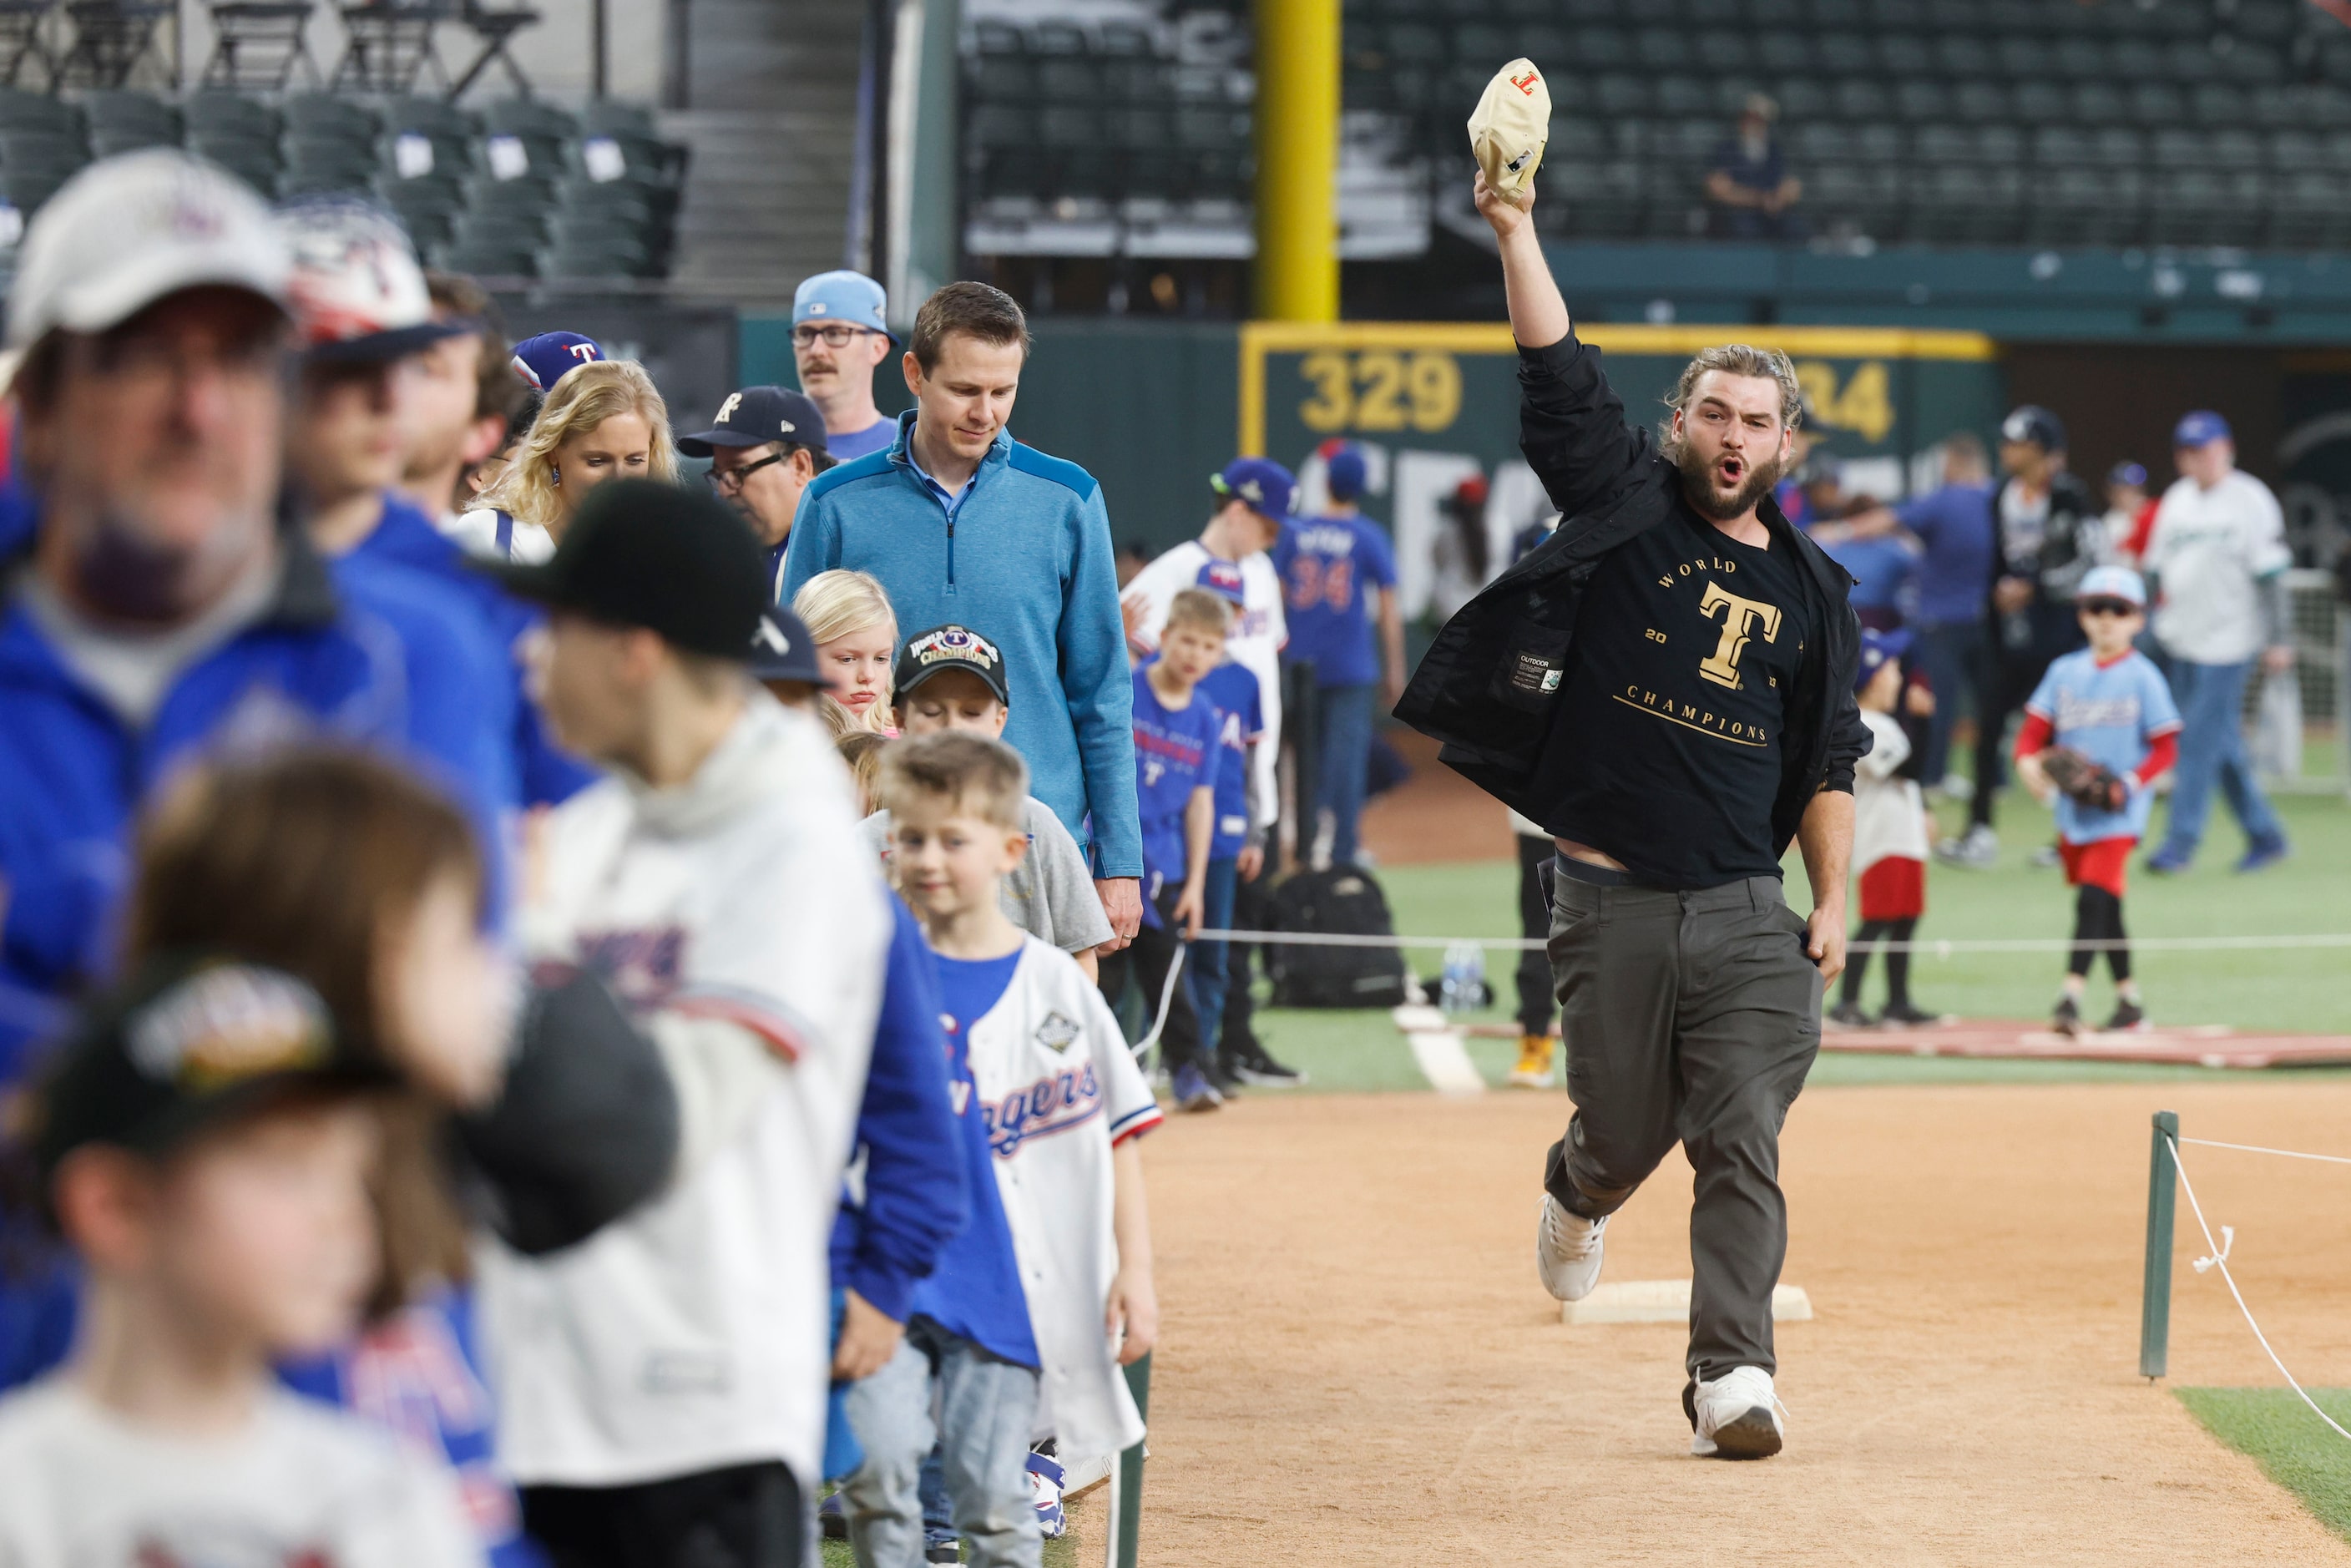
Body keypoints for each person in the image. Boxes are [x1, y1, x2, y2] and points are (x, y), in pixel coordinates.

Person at [1396, 165, 1866, 1459]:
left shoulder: (1821, 594)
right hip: (1603, 897)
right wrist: (1514, 227)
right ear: (1680, 424)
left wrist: (1836, 894)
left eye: (1756, 420)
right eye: (1712, 410)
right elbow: (1558, 376)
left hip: (1744, 910)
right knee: (1622, 1135)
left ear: (1785, 447)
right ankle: (1578, 1187)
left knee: (1741, 1133)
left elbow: (1829, 754)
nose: (1732, 433)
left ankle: (1734, 1373)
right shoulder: (1622, 504)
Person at [0, 151, 505, 1087]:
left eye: (239, 359)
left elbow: (431, 1040)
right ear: (43, 405)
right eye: (148, 356)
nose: (198, 410)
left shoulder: (409, 656)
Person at [124, 746, 677, 1568]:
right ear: (388, 958)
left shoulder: (407, 1196)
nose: (500, 975)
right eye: (469, 936)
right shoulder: (227, 1257)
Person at [476, 479, 889, 1566]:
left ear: (634, 651)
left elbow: (648, 1129)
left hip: (696, 1424)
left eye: (553, 628)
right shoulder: (588, 828)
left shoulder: (795, 839)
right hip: (530, 1398)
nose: (530, 659)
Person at [0, 955, 482, 1566]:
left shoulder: (389, 1498)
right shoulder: (16, 1498)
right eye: (289, 1165)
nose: (347, 1218)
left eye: (356, 1173)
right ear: (116, 1207)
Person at [866, 732, 1158, 1553]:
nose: (928, 859)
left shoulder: (1055, 985)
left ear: (1009, 852)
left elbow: (1117, 1135)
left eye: (953, 840)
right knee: (883, 1478)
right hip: (888, 1281)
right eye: (910, 839)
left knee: (995, 1497)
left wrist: (1132, 1272)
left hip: (1001, 1298)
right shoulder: (868, 975)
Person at [783, 281, 1141, 951]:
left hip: (1034, 843)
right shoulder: (833, 502)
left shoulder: (1069, 498)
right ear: (914, 374)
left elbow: (1102, 691)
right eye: (966, 391)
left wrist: (1119, 861)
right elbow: (788, 688)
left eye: (1003, 392)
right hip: (882, 843)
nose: (986, 412)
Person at [276, 196, 596, 822]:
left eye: (407, 364)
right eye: (343, 362)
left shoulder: (494, 602)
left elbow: (573, 828)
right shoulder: (173, 579)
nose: (387, 395)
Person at [862, 623, 1115, 974]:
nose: (953, 728)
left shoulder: (1037, 826)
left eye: (972, 713)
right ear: (900, 721)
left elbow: (1079, 952)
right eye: (933, 712)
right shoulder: (863, 842)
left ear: (999, 721)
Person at [2014, 567, 2182, 1034]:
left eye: (2120, 609)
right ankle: (2130, 1003)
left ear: (2138, 620)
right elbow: (2030, 737)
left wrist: (2129, 783)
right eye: (2096, 608)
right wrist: (2027, 766)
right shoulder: (2064, 672)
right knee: (2107, 906)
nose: (2108, 618)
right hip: (2074, 813)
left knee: (2091, 899)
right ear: (2082, 615)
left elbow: (2166, 746)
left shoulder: (2143, 676)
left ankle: (2069, 1000)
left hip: (2121, 813)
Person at [1939, 405, 2099, 867]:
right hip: (2007, 638)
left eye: (2019, 443)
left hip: (2058, 639)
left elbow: (2090, 560)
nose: (2007, 451)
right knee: (1986, 731)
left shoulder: (2069, 496)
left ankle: (2071, 836)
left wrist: (2036, 589)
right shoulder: (2000, 497)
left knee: (2065, 737)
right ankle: (1980, 830)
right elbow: (1995, 564)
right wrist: (1997, 598)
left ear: (2043, 451)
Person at [2141, 412, 2293, 875]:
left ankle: (2180, 845)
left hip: (2231, 641)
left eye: (2205, 448)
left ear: (2225, 448)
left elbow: (2272, 577)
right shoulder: (2177, 500)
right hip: (2180, 637)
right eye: (2188, 451)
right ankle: (2266, 835)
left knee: (2196, 742)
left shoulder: (2250, 498)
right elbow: (2154, 570)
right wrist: (2144, 622)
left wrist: (2279, 638)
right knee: (2220, 743)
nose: (2198, 459)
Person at [1123, 458, 1289, 871]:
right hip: (1182, 793)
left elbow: (1266, 661)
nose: (1272, 540)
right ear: (1237, 512)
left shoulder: (1262, 573)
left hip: (1248, 782)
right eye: (1269, 528)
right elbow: (1125, 667)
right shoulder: (1169, 574)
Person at [1115, 587, 1229, 1112]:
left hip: (1168, 868)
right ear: (1163, 638)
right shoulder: (1126, 689)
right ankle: (1103, 1079)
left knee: (1168, 983)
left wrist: (1198, 884)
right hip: (1112, 858)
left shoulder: (1205, 716)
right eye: (1186, 641)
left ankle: (1188, 1071)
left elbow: (1200, 803)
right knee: (1104, 980)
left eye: (1208, 647)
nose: (1194, 655)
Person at [1272, 440, 1403, 871]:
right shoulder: (1367, 534)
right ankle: (1344, 853)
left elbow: (1279, 594)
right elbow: (1388, 607)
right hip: (1351, 666)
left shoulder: (1294, 531)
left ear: (1326, 482)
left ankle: (1309, 848)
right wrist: (1395, 670)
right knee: (1345, 763)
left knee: (1302, 758)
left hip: (1299, 664)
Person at [1830, 630, 1936, 1029]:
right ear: (1873, 676)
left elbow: (1905, 780)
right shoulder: (1864, 724)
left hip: (1904, 838)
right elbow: (1907, 769)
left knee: (1906, 919)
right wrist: (1924, 723)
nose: (1898, 675)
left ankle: (1898, 1002)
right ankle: (1847, 1003)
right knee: (1878, 919)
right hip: (1882, 841)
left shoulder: (1885, 724)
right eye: (1892, 668)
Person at [471, 357, 676, 554]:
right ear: (552, 451)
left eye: (635, 460)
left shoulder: (665, 549)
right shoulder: (489, 535)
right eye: (597, 461)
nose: (619, 479)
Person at [679, 384, 836, 597]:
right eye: (719, 475)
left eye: (739, 470)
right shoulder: (725, 547)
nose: (724, 491)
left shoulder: (844, 556)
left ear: (800, 466)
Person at [405, 271, 527, 536]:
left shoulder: (484, 573)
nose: (390, 385)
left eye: (423, 368)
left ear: (481, 431)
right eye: (367, 366)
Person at [791, 271, 902, 461]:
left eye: (836, 334)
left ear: (877, 348)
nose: (816, 350)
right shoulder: (767, 449)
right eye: (805, 334)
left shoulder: (908, 451)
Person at [796, 567, 901, 735]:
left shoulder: (904, 742)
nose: (868, 676)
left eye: (880, 659)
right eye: (847, 659)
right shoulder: (784, 741)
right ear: (805, 654)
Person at [1705, 94, 1802, 241]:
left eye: (1760, 121)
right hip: (1737, 214)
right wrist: (1759, 199)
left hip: (1770, 213)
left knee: (1795, 228)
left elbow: (1792, 186)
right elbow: (1718, 189)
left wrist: (1778, 199)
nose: (1755, 125)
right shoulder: (1726, 150)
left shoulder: (1774, 151)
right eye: (1751, 119)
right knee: (1744, 230)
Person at [2102, 459, 2155, 567]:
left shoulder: (2153, 514)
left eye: (2138, 489)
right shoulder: (2109, 523)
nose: (2134, 495)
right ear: (2113, 494)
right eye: (2127, 490)